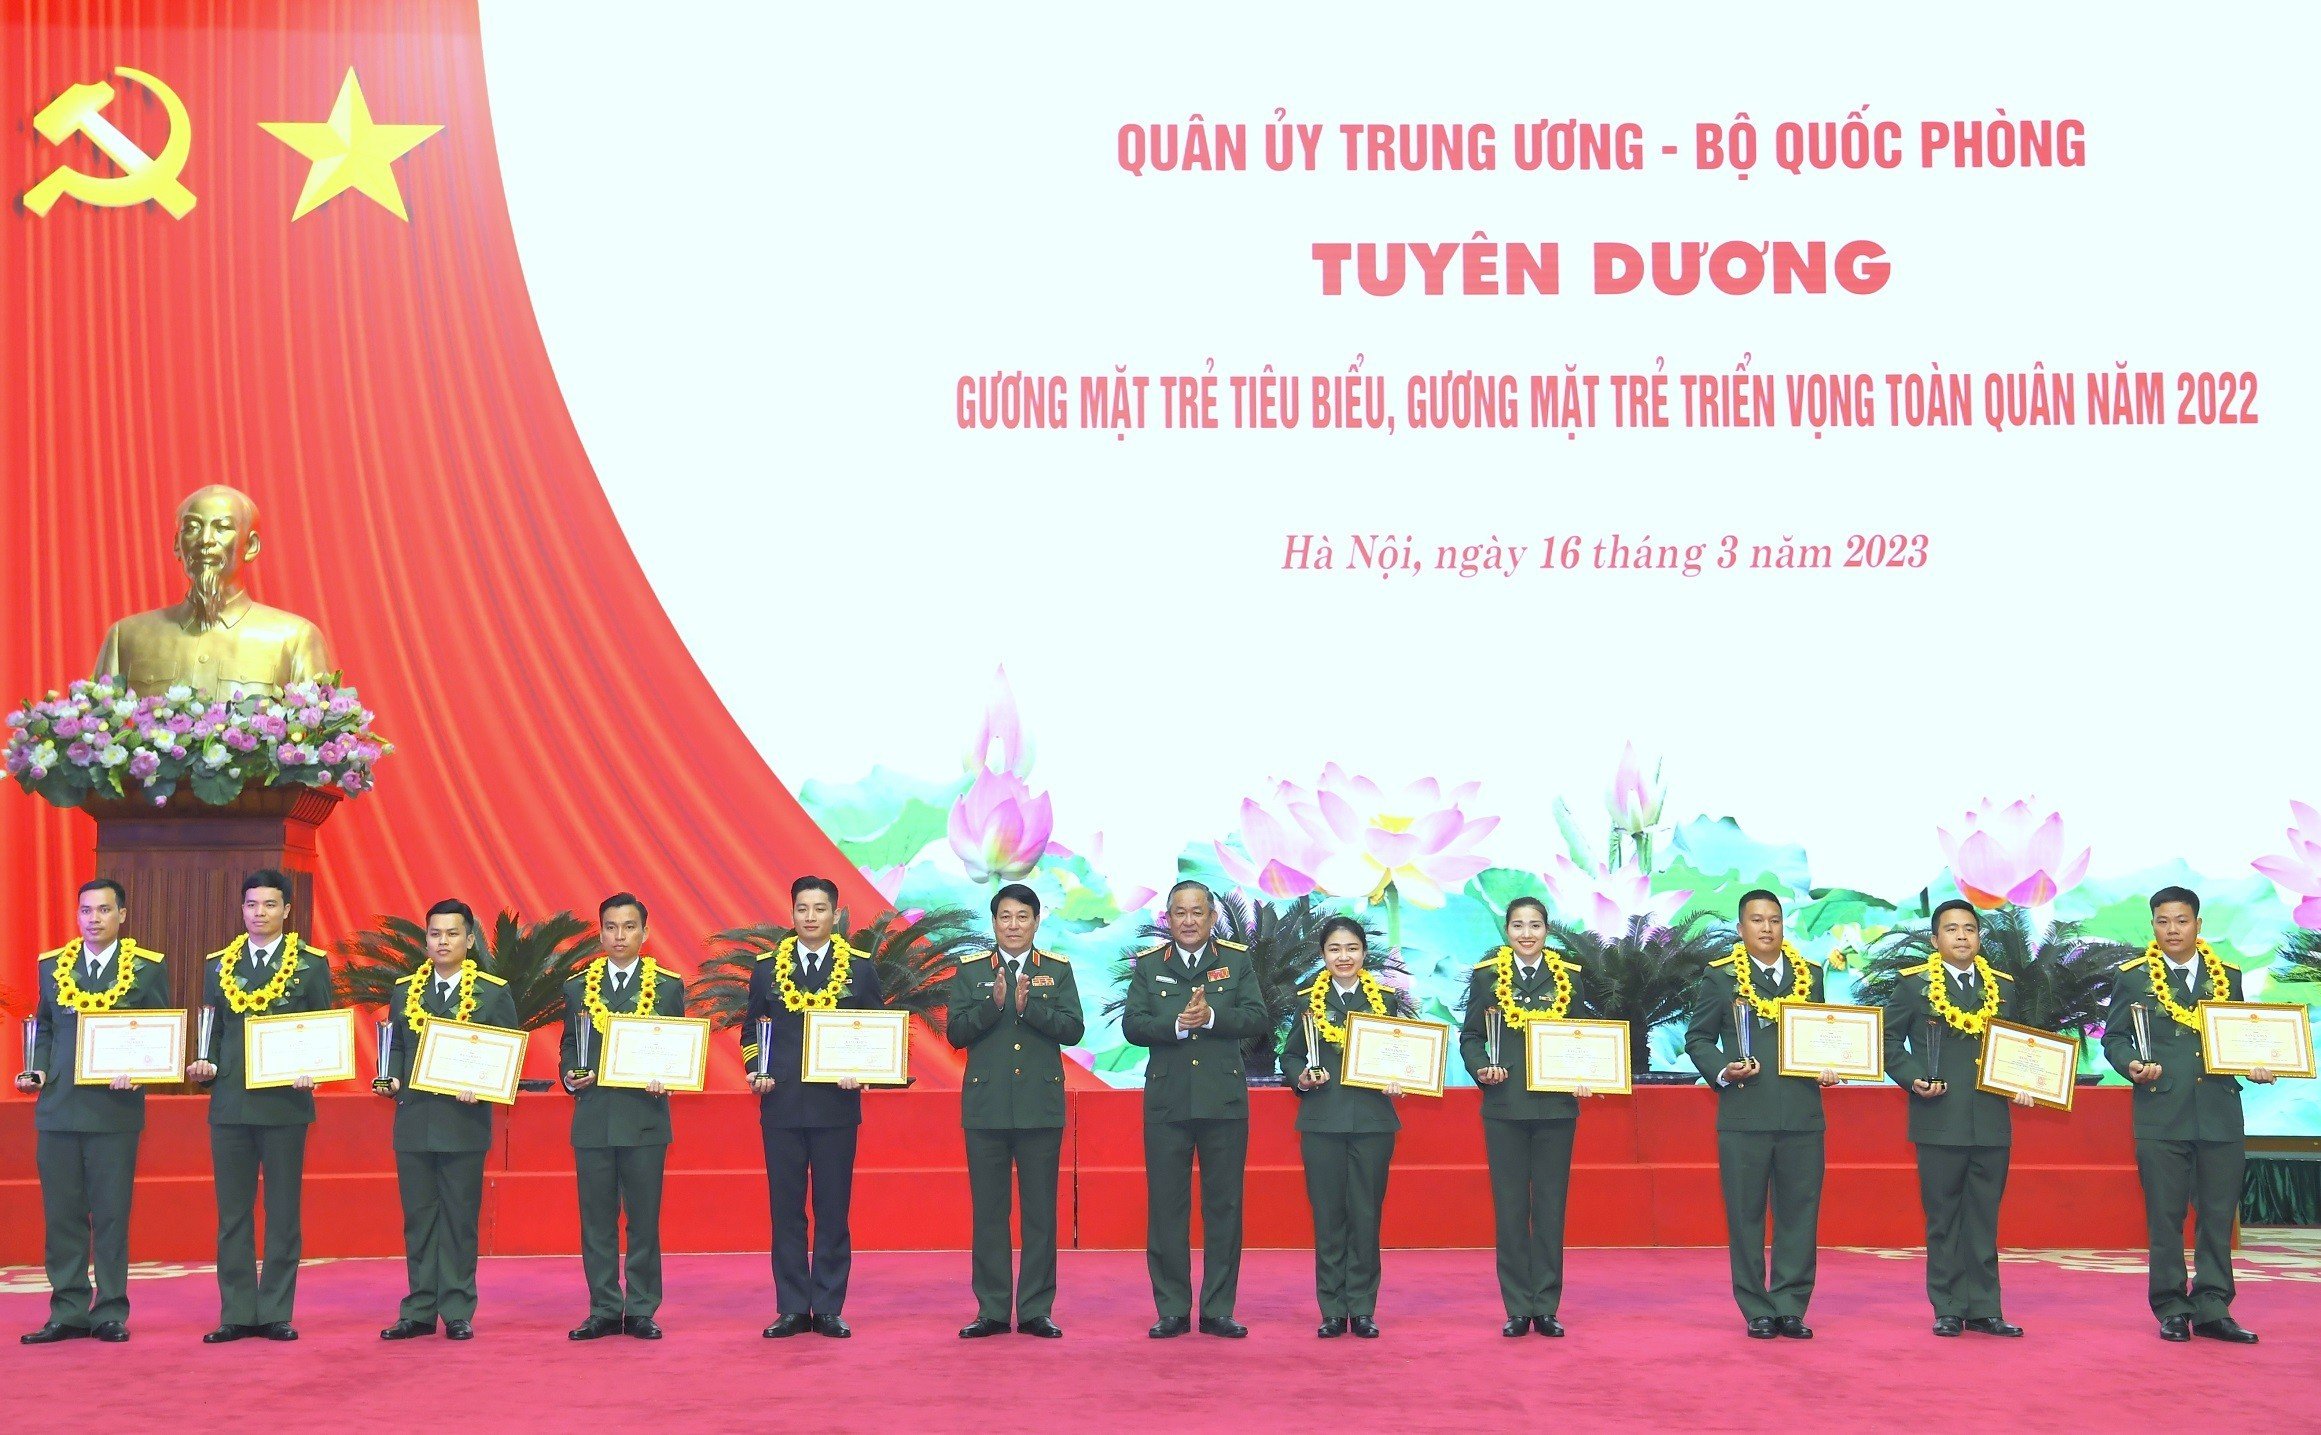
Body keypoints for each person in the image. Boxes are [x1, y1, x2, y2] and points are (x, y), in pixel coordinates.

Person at [2102, 884, 2271, 1343]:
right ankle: (2172, 1307)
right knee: (2165, 1216)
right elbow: (2114, 1037)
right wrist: (2130, 1065)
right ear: (2153, 925)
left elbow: (2239, 1037)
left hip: (2219, 1111)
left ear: (2198, 924)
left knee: (2217, 1216)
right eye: (2163, 921)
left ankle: (2214, 1307)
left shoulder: (2227, 976)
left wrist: (2256, 1065)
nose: (2172, 929)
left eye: (2181, 920)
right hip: (2161, 1112)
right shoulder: (2134, 977)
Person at [185, 868, 335, 1343]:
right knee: (232, 1214)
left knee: (283, 1211)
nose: (259, 913)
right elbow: (211, 1030)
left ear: (287, 910)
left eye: (270, 905)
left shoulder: (310, 964)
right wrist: (204, 1064)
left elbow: (322, 1029)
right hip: (231, 1103)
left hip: (285, 1104)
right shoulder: (218, 965)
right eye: (251, 904)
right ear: (242, 909)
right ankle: (236, 1312)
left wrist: (316, 1069)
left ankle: (274, 1311)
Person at [16, 879, 168, 1345]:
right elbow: (44, 1028)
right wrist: (37, 1069)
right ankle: (67, 1311)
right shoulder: (52, 966)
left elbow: (160, 1031)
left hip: (114, 1110)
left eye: (103, 910)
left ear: (122, 915)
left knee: (110, 1215)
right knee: (62, 1215)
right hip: (59, 1108)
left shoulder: (145, 968)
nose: (93, 919)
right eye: (86, 910)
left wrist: (142, 1072)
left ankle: (110, 1312)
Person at [1684, 889, 1840, 1338]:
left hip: (1802, 1115)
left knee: (1799, 1215)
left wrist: (1830, 1066)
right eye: (1757, 920)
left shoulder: (1810, 975)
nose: (1767, 927)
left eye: (1774, 919)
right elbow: (1698, 1038)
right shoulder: (1721, 978)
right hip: (1744, 1114)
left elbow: (1824, 1036)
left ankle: (1790, 1305)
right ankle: (1755, 1308)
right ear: (1741, 928)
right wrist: (1723, 1071)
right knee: (1745, 1215)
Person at [1121, 879, 1269, 1338]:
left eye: (1197, 912)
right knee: (1167, 1207)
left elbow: (1257, 1018)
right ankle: (1172, 1308)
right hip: (1167, 1102)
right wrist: (1178, 1025)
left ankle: (1218, 1309)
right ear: (1168, 918)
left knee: (1224, 1206)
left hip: (1223, 1101)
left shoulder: (1236, 961)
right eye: (1180, 913)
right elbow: (1133, 1026)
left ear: (1212, 917)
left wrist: (1211, 1018)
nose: (1188, 921)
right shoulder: (1149, 965)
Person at [1881, 899, 2033, 1337]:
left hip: (1990, 1119)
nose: (1962, 936)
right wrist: (1913, 1078)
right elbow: (1887, 1040)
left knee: (1984, 1218)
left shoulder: (2003, 988)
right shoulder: (1914, 986)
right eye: (1951, 929)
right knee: (1943, 1218)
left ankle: (1985, 1307)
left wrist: (2025, 1082)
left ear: (1979, 937)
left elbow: (2018, 1046)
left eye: (1970, 928)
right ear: (1935, 939)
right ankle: (1947, 1306)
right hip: (1939, 1117)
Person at [745, 874, 885, 1338]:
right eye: (802, 909)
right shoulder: (767, 969)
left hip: (835, 1106)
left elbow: (876, 1031)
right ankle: (790, 1307)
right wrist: (756, 1069)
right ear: (791, 913)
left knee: (832, 1209)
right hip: (781, 1104)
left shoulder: (859, 969)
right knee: (785, 1211)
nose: (810, 917)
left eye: (820, 909)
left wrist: (863, 1071)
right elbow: (751, 1030)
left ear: (835, 914)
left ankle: (827, 1306)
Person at [944, 882, 1083, 1339]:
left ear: (1037, 922)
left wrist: (1029, 1010)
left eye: (1023, 917)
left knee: (1040, 1213)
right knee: (989, 1213)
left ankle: (1037, 1309)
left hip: (1040, 1108)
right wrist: (995, 1005)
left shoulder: (1057, 970)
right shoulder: (970, 971)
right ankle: (992, 1310)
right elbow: (956, 1034)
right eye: (1005, 916)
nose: (1014, 925)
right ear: (993, 922)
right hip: (986, 1108)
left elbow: (1074, 1030)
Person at [374, 899, 518, 1340]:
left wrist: (485, 1086)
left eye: (452, 934)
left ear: (470, 940)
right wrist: (390, 1078)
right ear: (426, 940)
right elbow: (396, 1047)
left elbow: (506, 1054)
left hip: (463, 1123)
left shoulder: (492, 992)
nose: (443, 942)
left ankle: (457, 1308)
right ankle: (418, 1310)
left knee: (458, 1219)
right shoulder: (406, 991)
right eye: (435, 934)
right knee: (418, 1220)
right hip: (415, 1121)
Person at [1458, 896, 1592, 1337]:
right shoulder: (1487, 977)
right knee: (1511, 1208)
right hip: (1505, 1105)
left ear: (1547, 930)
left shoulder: (1569, 976)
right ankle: (1517, 1306)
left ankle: (1546, 1305)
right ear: (1507, 930)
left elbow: (1583, 1036)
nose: (1527, 933)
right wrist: (1481, 1069)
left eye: (1535, 925)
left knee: (1551, 1208)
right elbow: (1471, 1036)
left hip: (1556, 1108)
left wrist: (1585, 1074)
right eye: (1518, 925)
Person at [560, 892, 686, 1341]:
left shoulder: (666, 986)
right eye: (611, 927)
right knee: (596, 1221)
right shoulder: (577, 987)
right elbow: (569, 1045)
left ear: (645, 933)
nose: (619, 936)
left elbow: (677, 1046)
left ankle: (642, 1308)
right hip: (594, 1118)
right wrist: (570, 1076)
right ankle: (604, 1309)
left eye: (629, 927)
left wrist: (668, 1078)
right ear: (600, 934)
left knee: (643, 1220)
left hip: (644, 1119)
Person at [92, 483, 334, 699]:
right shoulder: (126, 638)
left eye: (222, 528)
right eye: (192, 528)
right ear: (177, 544)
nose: (205, 539)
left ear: (250, 546)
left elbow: (320, 729)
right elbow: (96, 728)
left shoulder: (294, 639)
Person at [1279, 915, 1402, 1338]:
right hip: (1322, 1121)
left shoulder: (1385, 1000)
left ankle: (1363, 1308)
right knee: (1329, 1216)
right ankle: (1332, 1309)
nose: (1343, 957)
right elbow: (1290, 1055)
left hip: (1372, 1122)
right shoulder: (1307, 1000)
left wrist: (1399, 1077)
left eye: (1351, 948)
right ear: (1323, 955)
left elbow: (1402, 1052)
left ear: (1364, 953)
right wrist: (1300, 1077)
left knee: (1366, 1216)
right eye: (1334, 949)